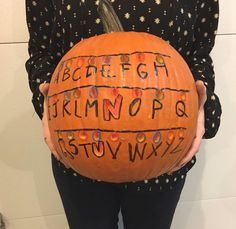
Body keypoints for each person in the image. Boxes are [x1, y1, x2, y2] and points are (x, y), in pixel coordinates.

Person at [25, 0, 222, 228]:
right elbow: (41, 52)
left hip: (164, 152)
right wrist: (48, 100)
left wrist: (200, 103)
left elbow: (199, 54)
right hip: (79, 150)